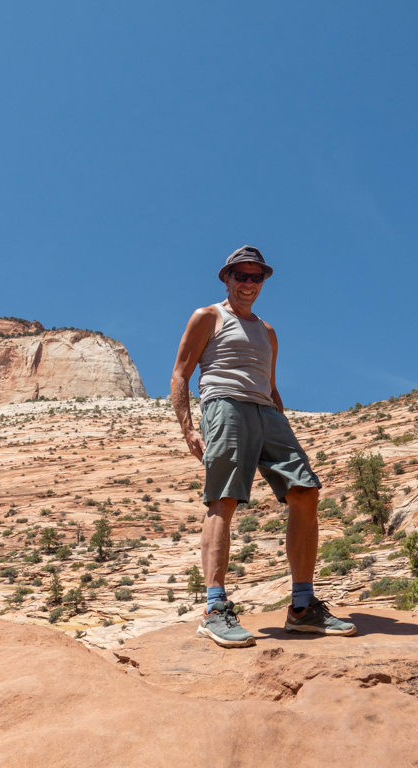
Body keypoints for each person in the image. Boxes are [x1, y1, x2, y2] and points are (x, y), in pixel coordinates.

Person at [171, 246, 356, 648]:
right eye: (241, 275)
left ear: (264, 281)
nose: (249, 283)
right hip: (224, 405)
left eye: (256, 277)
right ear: (226, 278)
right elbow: (180, 374)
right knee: (224, 499)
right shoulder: (208, 317)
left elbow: (271, 387)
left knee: (306, 490)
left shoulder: (267, 331)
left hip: (267, 412)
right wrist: (189, 429)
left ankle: (303, 608)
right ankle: (215, 609)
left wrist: (280, 421)